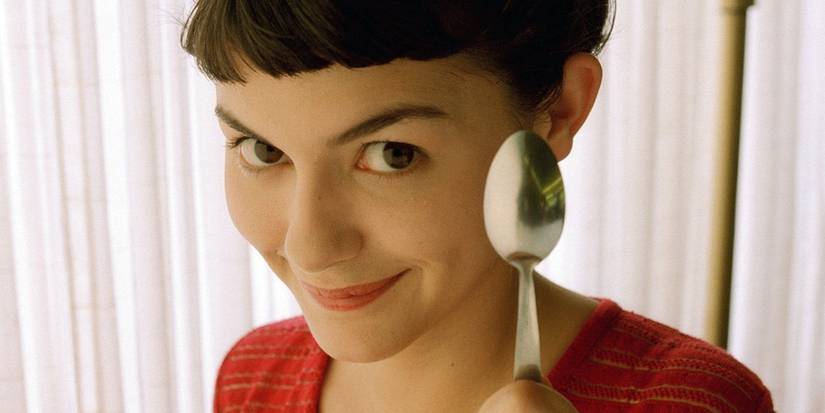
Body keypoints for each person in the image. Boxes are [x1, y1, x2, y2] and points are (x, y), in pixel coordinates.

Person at [180, 1, 774, 412]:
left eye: (392, 154)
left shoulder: (692, 402)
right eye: (262, 150)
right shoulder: (252, 377)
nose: (310, 245)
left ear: (560, 110)